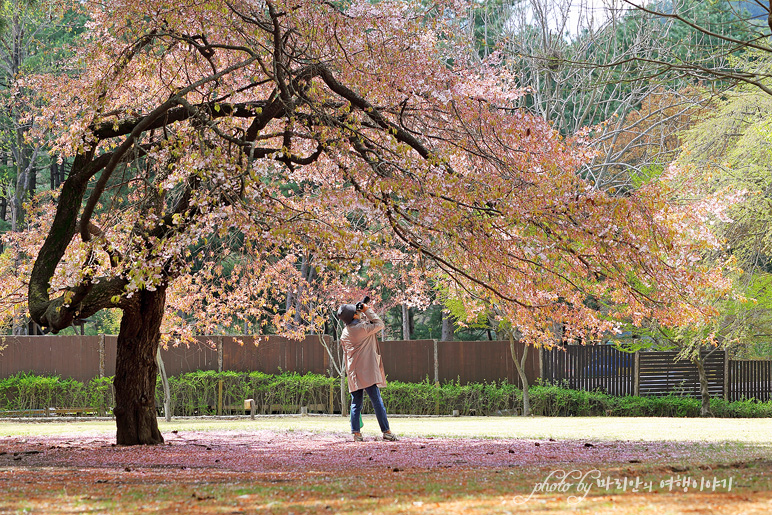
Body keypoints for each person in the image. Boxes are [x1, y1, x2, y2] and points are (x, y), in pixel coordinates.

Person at [337, 299, 398, 442]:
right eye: (355, 312)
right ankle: (386, 431)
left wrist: (360, 313)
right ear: (353, 316)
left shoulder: (345, 333)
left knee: (356, 403)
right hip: (367, 371)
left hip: (354, 373)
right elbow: (379, 324)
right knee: (377, 401)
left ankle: (356, 433)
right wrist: (366, 309)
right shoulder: (362, 329)